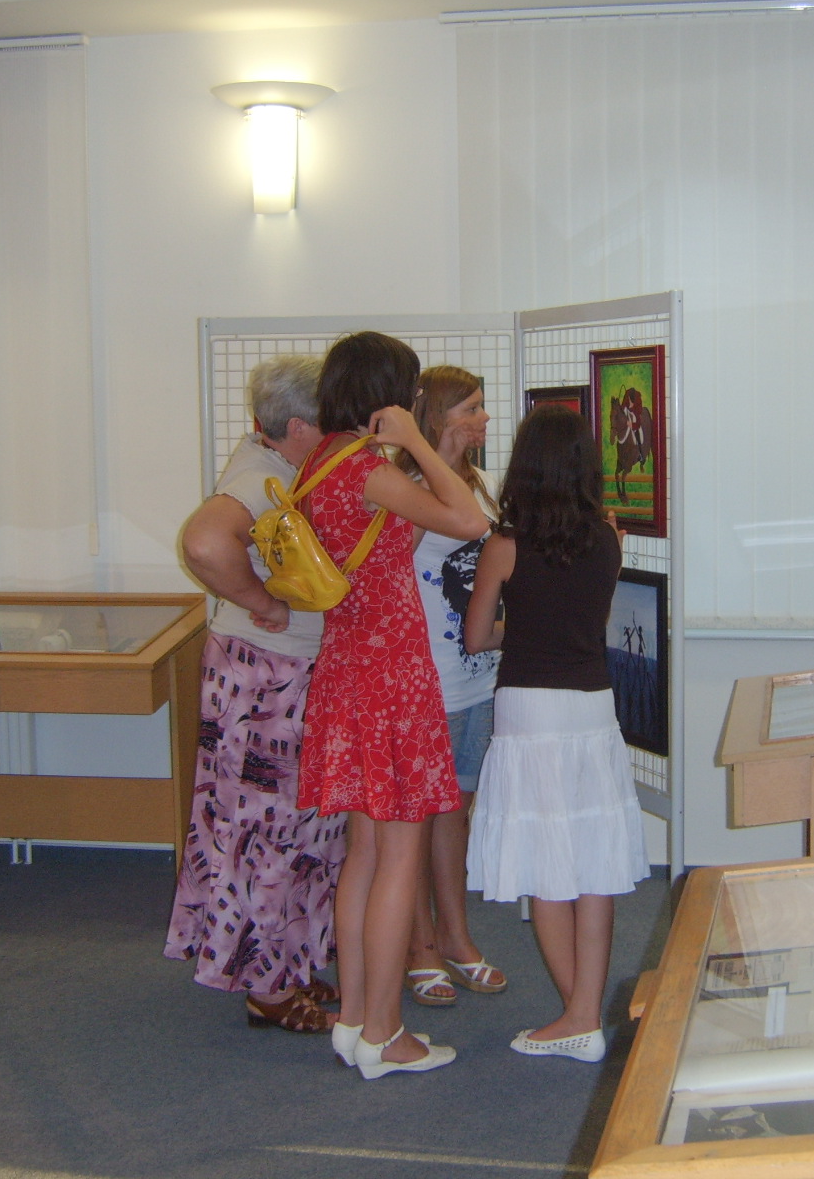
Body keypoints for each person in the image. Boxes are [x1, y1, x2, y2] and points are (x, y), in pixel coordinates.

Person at [296, 332, 489, 1079]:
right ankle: (384, 1033)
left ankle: (354, 1020)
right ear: (387, 392)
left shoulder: (322, 459)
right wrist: (415, 442)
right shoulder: (369, 470)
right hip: (391, 676)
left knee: (365, 855)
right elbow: (469, 519)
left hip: (347, 670)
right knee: (398, 855)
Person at [163, 354, 346, 1034]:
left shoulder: (277, 465)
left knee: (297, 826)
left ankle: (287, 961)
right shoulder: (258, 478)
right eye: (327, 418)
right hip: (265, 678)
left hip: (280, 674)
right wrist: (261, 602)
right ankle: (266, 985)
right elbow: (204, 542)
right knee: (265, 832)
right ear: (298, 426)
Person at [462, 405, 651, 1063]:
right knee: (594, 865)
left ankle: (579, 1017)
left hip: (529, 712)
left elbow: (477, 636)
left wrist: (522, 628)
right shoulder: (608, 538)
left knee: (547, 868)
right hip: (593, 709)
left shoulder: (504, 546)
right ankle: (583, 1015)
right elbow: (585, 615)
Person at [397, 366, 507, 1007]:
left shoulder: (479, 486)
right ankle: (420, 948)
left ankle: (457, 938)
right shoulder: (411, 490)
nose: (484, 418)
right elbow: (386, 576)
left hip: (477, 679)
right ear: (438, 417)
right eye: (472, 407)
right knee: (413, 820)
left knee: (454, 814)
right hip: (424, 682)